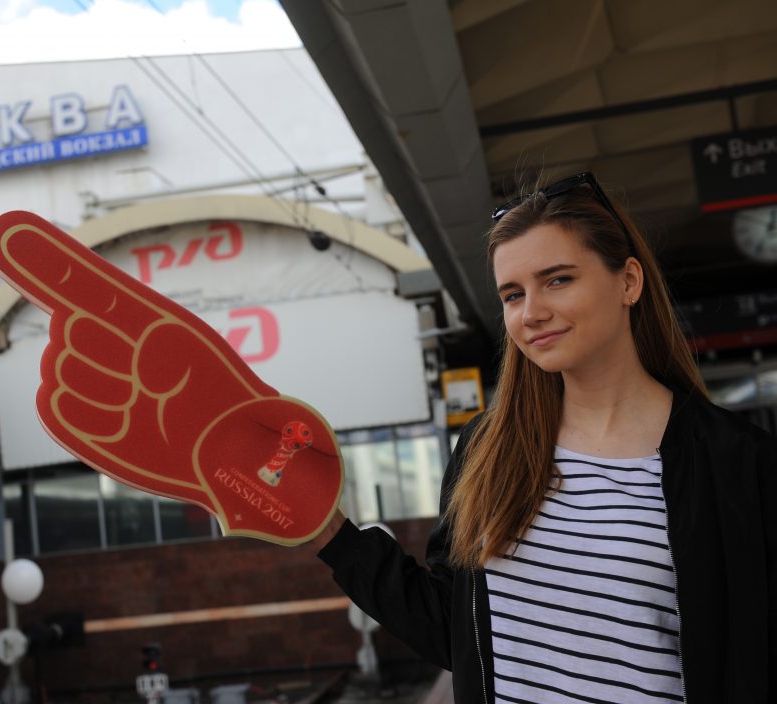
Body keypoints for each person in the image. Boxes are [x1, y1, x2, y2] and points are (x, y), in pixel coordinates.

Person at [311, 172, 776, 703]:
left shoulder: (736, 464)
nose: (531, 313)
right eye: (513, 294)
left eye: (557, 279)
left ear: (629, 281)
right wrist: (331, 534)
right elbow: (458, 634)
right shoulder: (487, 449)